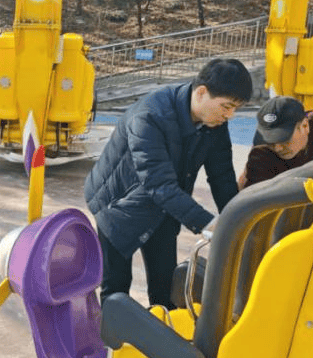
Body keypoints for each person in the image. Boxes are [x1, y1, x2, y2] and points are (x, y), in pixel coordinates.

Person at [84, 58, 253, 308]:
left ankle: (161, 327)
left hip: (165, 204)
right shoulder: (150, 116)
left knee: (165, 289)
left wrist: (236, 220)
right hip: (118, 205)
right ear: (201, 93)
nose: (230, 115)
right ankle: (113, 331)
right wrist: (208, 224)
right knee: (116, 290)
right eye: (226, 106)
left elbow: (222, 176)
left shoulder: (214, 122)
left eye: (235, 109)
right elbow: (158, 184)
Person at [239, 96, 313, 189]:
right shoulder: (261, 148)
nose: (277, 148)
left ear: (305, 126)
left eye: (283, 139)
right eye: (270, 140)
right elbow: (251, 196)